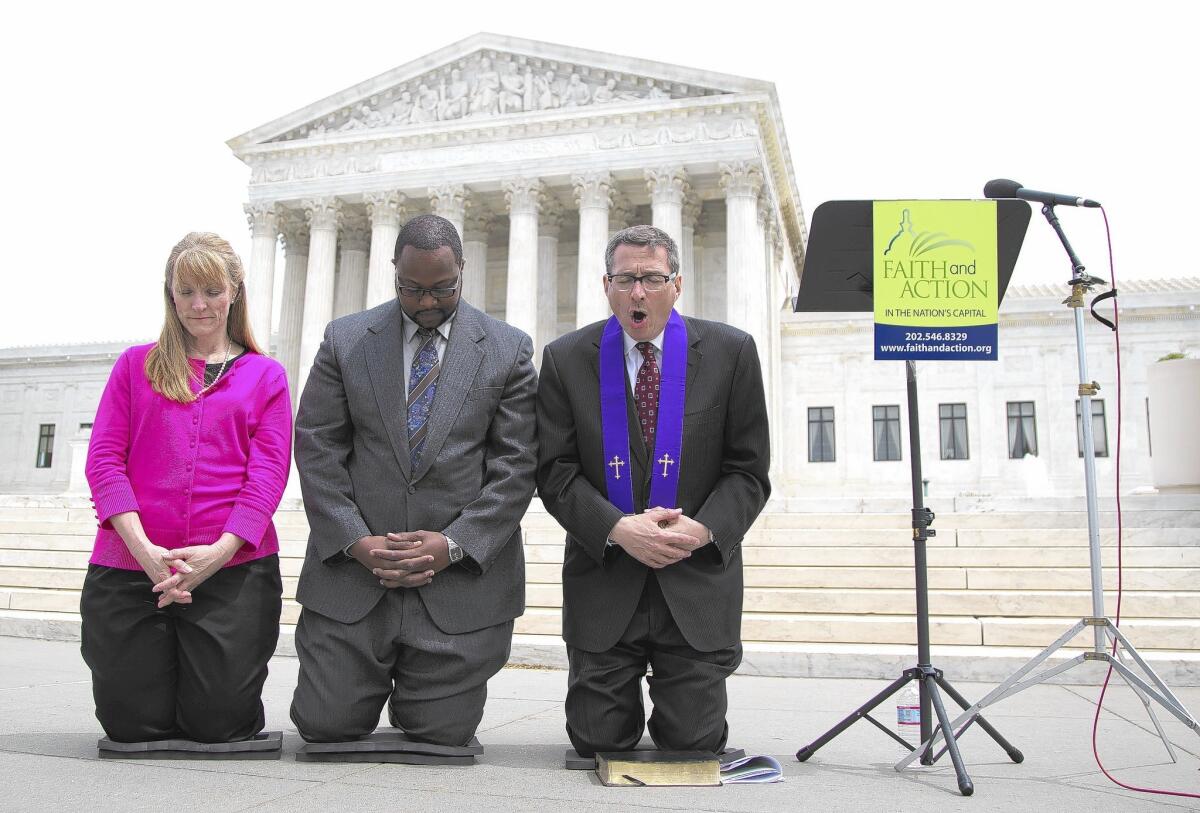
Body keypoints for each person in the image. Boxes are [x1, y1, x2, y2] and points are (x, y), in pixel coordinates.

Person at [290, 213, 537, 747]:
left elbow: (516, 467)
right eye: (412, 289)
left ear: (463, 273)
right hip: (356, 577)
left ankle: (423, 695)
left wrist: (453, 545)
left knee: (439, 733)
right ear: (394, 274)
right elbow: (317, 447)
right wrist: (356, 541)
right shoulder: (346, 340)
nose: (427, 302)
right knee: (324, 726)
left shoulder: (507, 348)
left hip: (456, 583)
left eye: (442, 289)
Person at [536, 224, 770, 757]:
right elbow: (554, 471)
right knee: (599, 742)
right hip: (606, 579)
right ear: (606, 285)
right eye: (625, 279)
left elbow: (749, 470)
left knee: (695, 743)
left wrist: (704, 528)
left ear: (677, 284)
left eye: (651, 278)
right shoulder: (566, 359)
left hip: (694, 581)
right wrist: (616, 527)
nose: (637, 292)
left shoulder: (731, 353)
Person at [81, 232, 291, 744]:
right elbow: (105, 461)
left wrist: (217, 554)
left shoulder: (266, 376)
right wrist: (147, 554)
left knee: (220, 724)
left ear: (235, 291)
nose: (199, 305)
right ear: (170, 295)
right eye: (186, 292)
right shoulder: (135, 366)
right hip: (132, 567)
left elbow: (267, 477)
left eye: (212, 291)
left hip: (232, 568)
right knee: (132, 726)